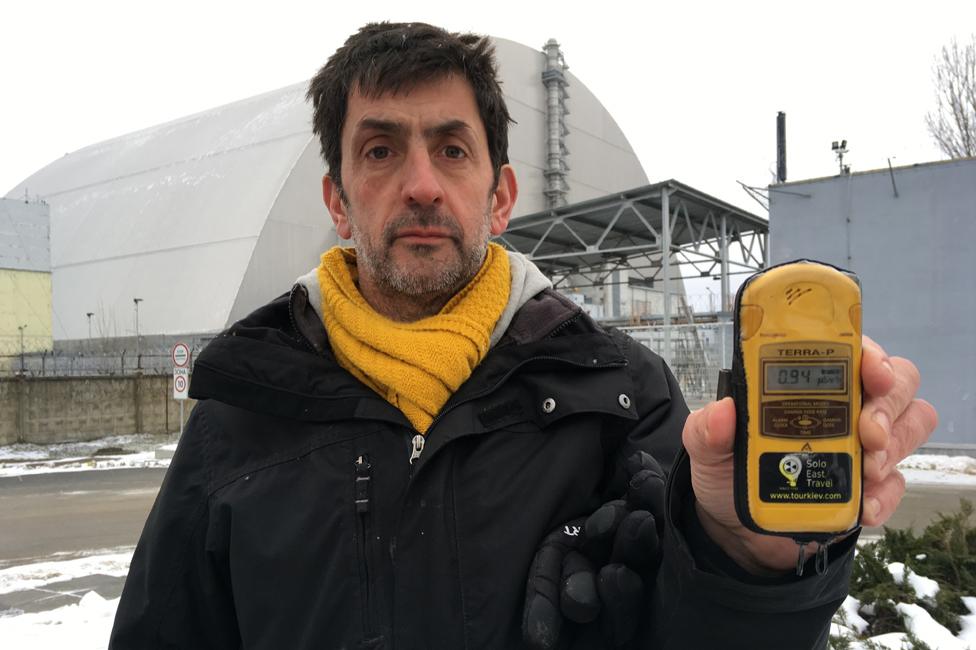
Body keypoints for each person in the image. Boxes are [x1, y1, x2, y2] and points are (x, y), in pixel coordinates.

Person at [109, 22, 938, 649]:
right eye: (380, 150)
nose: (422, 184)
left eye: (452, 149)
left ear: (501, 196)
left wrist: (744, 555)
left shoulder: (624, 397)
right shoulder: (242, 414)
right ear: (338, 200)